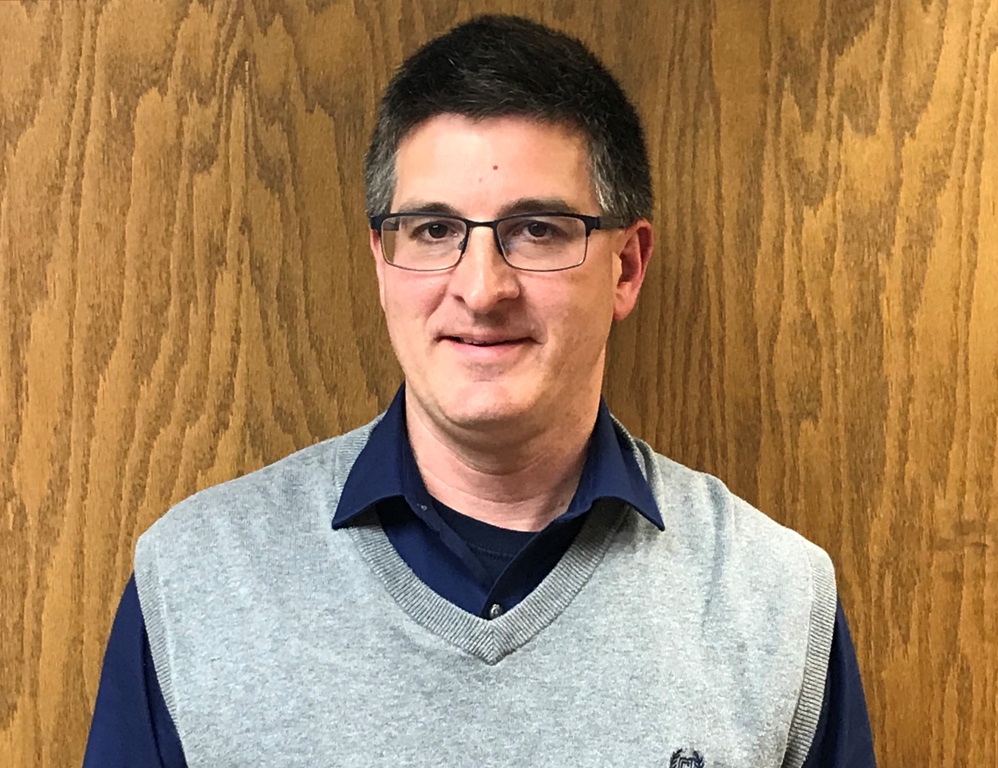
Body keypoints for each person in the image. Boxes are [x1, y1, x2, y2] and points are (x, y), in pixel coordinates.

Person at [84, 15, 876, 767]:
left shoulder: (773, 600)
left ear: (627, 268)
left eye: (538, 229)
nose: (481, 288)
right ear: (381, 262)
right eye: (434, 230)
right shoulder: (197, 581)